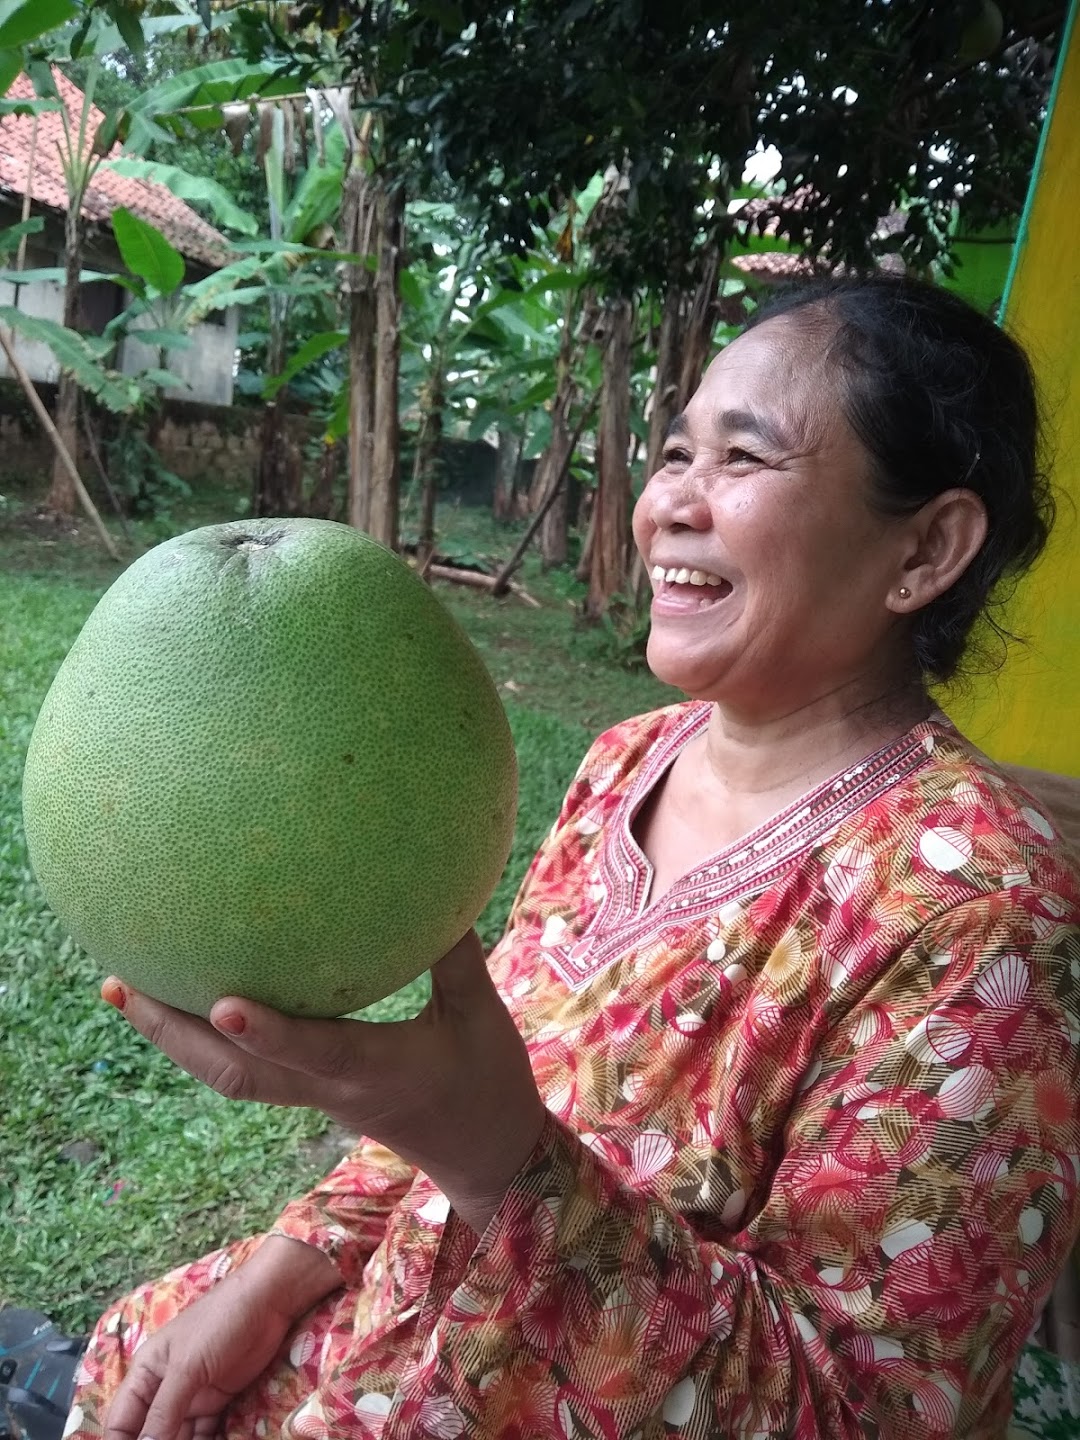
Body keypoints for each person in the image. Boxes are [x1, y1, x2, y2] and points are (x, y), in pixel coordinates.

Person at [16, 274, 1080, 1440]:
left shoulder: (984, 919)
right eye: (675, 452)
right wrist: (286, 1259)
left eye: (742, 459)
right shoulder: (628, 763)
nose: (672, 498)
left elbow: (862, 1413)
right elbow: (485, 1077)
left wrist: (501, 1163)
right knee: (142, 1363)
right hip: (398, 1322)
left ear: (927, 548)